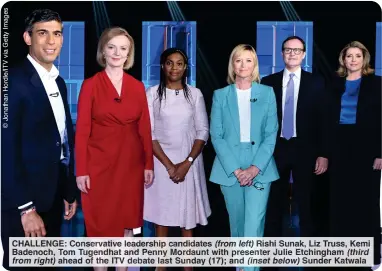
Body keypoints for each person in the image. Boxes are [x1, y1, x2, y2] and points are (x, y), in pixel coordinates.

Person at [1, 9, 77, 270]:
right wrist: (26, 208)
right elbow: (5, 150)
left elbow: (64, 140)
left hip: (53, 196)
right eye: (42, 33)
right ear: (27, 37)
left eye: (57, 34)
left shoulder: (60, 82)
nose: (51, 41)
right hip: (23, 201)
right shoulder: (11, 81)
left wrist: (68, 190)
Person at [75, 27, 154, 246]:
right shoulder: (90, 85)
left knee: (127, 225)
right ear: (103, 51)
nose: (117, 53)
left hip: (131, 166)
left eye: (123, 48)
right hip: (98, 165)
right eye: (111, 47)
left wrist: (149, 164)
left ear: (129, 54)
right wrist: (81, 170)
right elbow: (81, 131)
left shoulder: (138, 87)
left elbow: (145, 129)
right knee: (99, 226)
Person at [209, 44, 279, 271]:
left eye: (248, 60)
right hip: (229, 168)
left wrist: (254, 168)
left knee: (253, 224)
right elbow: (216, 136)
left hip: (260, 167)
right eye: (238, 60)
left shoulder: (267, 93)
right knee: (237, 225)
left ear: (255, 65)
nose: (243, 65)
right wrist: (237, 170)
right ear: (233, 64)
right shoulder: (220, 95)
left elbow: (271, 134)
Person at [144, 48, 211, 271]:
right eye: (170, 63)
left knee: (187, 216)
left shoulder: (195, 94)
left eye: (179, 63)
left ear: (185, 67)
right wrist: (170, 165)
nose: (174, 68)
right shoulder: (151, 94)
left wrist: (186, 162)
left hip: (190, 161)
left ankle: (188, 266)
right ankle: (160, 265)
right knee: (161, 215)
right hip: (160, 161)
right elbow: (149, 133)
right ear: (162, 66)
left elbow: (202, 131)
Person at [261, 36, 330, 243]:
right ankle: (271, 253)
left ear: (304, 54)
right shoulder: (268, 82)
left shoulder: (317, 82)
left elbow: (323, 121)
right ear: (282, 53)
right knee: (273, 204)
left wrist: (323, 154)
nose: (292, 54)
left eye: (297, 50)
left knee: (307, 204)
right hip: (276, 150)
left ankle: (309, 251)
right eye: (288, 50)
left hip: (306, 150)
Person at [328, 41, 381, 271]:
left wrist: (380, 152)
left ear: (364, 59)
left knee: (366, 201)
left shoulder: (377, 83)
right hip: (339, 146)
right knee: (341, 200)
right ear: (343, 59)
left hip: (367, 149)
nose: (353, 60)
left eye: (357, 55)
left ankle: (371, 256)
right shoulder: (333, 84)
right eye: (349, 56)